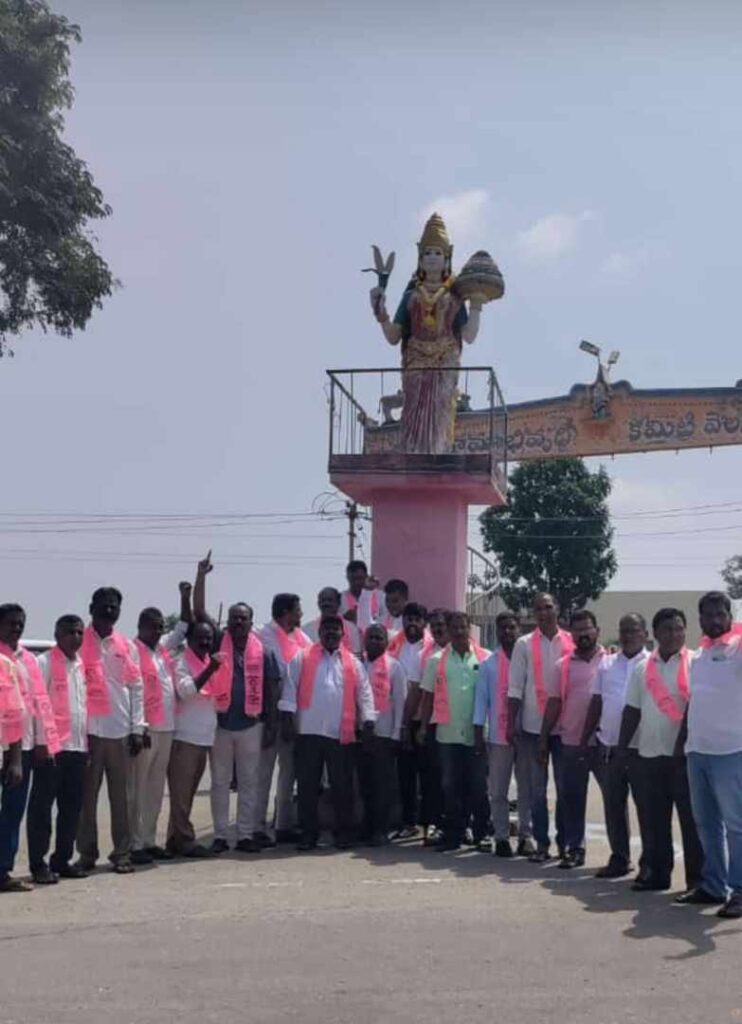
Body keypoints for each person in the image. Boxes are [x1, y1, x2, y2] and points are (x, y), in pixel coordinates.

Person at [369, 211, 484, 453]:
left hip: (445, 364)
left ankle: (437, 454)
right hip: (416, 365)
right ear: (420, 259)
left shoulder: (454, 296)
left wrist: (476, 304)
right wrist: (381, 313)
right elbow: (393, 336)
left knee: (440, 416)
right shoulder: (411, 296)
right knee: (414, 416)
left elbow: (469, 335)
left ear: (447, 258)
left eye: (438, 253)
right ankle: (413, 456)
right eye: (427, 253)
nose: (432, 257)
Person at [617, 607, 703, 893]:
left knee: (691, 824)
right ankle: (658, 874)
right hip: (649, 756)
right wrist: (622, 748)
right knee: (653, 822)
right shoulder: (644, 668)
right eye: (667, 629)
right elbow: (631, 710)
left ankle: (697, 881)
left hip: (686, 758)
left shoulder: (696, 663)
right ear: (656, 634)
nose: (674, 634)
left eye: (679, 628)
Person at [280, 615, 375, 851]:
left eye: (336, 629)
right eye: (327, 629)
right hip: (308, 732)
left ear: (343, 634)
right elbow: (290, 689)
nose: (331, 633)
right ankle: (308, 834)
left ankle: (344, 832)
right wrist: (288, 722)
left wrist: (368, 720)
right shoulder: (302, 657)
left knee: (342, 785)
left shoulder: (353, 662)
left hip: (339, 734)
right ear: (320, 633)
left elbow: (364, 693)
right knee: (307, 786)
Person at [677, 592, 742, 917]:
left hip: (731, 752)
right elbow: (696, 700)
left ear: (730, 616)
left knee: (736, 825)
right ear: (700, 619)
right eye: (709, 615)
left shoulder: (738, 649)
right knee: (706, 824)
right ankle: (714, 886)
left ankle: (740, 891)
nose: (715, 620)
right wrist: (684, 740)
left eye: (721, 614)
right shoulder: (699, 656)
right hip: (697, 752)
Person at [76, 588, 144, 875]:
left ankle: (122, 853)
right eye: (104, 606)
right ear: (91, 608)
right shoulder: (78, 641)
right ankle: (87, 854)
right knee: (86, 798)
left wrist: (138, 727)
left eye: (114, 607)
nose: (109, 610)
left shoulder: (126, 646)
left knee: (122, 798)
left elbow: (136, 687)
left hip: (120, 731)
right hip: (88, 733)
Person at [579, 613, 649, 879]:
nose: (628, 635)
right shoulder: (606, 664)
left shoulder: (652, 663)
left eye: (633, 630)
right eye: (623, 630)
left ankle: (649, 863)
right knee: (613, 807)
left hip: (642, 749)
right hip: (608, 746)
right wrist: (586, 738)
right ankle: (620, 858)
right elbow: (596, 703)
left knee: (646, 808)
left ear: (644, 634)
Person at [129, 582, 192, 864]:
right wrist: (138, 727)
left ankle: (149, 840)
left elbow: (183, 626)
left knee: (156, 790)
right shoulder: (133, 650)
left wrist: (184, 597)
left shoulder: (162, 649)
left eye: (159, 627)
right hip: (145, 730)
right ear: (141, 627)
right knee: (138, 789)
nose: (157, 631)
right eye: (152, 627)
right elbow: (131, 691)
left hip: (166, 728)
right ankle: (133, 842)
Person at [508, 593, 573, 863]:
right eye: (538, 609)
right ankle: (541, 843)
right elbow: (515, 688)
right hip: (533, 729)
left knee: (563, 788)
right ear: (533, 613)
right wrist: (512, 723)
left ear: (557, 608)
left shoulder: (570, 642)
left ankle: (565, 844)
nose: (544, 612)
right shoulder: (523, 644)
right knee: (536, 790)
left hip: (565, 728)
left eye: (548, 607)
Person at [419, 611, 489, 852]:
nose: (459, 632)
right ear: (448, 631)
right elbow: (427, 696)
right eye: (455, 628)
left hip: (477, 733)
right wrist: (421, 727)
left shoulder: (485, 658)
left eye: (463, 627)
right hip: (447, 734)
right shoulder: (435, 660)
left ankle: (482, 833)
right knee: (450, 786)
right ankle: (454, 835)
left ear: (470, 628)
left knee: (478, 785)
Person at [539, 610, 603, 869]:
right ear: (571, 633)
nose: (583, 634)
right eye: (578, 630)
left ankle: (620, 856)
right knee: (571, 798)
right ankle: (574, 848)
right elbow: (553, 703)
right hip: (572, 742)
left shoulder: (609, 660)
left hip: (603, 743)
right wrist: (543, 737)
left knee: (614, 799)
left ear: (596, 630)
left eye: (587, 629)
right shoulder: (562, 665)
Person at [26, 615, 88, 882]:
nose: (75, 637)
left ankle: (62, 859)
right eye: (69, 632)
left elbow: (83, 707)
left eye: (79, 632)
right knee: (42, 808)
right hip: (52, 748)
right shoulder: (45, 662)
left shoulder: (80, 664)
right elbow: (38, 705)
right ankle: (38, 864)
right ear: (57, 634)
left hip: (77, 747)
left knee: (71, 808)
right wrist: (42, 742)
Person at [474, 611, 534, 857]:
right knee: (497, 791)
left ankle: (525, 836)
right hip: (499, 737)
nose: (508, 632)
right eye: (503, 628)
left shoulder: (529, 660)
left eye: (512, 627)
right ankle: (500, 837)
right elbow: (481, 701)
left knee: (526, 788)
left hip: (526, 733)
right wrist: (479, 733)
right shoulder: (489, 663)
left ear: (519, 629)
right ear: (497, 632)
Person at [167, 621, 224, 857]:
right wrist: (211, 669)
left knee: (187, 793)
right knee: (180, 794)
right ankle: (184, 839)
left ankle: (175, 839)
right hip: (185, 738)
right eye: (200, 638)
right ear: (189, 640)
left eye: (209, 638)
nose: (205, 642)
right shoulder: (181, 662)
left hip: (204, 738)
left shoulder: (204, 661)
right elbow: (186, 691)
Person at [257, 593, 309, 845]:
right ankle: (256, 827)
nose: (301, 615)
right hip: (267, 715)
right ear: (285, 613)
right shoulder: (262, 635)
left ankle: (283, 825)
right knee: (263, 772)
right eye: (298, 610)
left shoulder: (301, 639)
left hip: (293, 715)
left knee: (288, 773)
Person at [0, 611, 40, 894]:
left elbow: (17, 711)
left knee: (12, 814)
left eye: (20, 624)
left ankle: (3, 870)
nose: (17, 628)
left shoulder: (20, 661)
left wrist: (15, 758)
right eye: (10, 623)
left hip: (14, 748)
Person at [359, 624, 407, 845]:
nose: (375, 641)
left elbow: (399, 702)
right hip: (359, 734)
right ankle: (366, 826)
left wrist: (397, 733)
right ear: (364, 641)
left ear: (386, 642)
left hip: (384, 734)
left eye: (379, 638)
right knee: (364, 784)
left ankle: (381, 828)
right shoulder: (356, 665)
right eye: (371, 637)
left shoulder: (394, 667)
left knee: (382, 785)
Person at [387, 601, 428, 839]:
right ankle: (407, 822)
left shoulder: (432, 648)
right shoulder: (394, 645)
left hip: (424, 719)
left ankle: (429, 823)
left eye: (416, 619)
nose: (411, 623)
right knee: (405, 775)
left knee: (429, 774)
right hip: (399, 719)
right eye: (408, 618)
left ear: (424, 622)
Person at [305, 587, 361, 654]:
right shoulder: (307, 629)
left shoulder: (352, 629)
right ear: (318, 603)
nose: (326, 603)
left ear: (338, 603)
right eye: (323, 600)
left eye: (330, 600)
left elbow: (356, 654)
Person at [340, 560, 385, 633]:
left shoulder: (380, 597)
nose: (356, 583)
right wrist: (345, 618)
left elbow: (386, 619)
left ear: (366, 577)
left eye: (359, 578)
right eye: (353, 579)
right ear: (347, 578)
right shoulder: (341, 598)